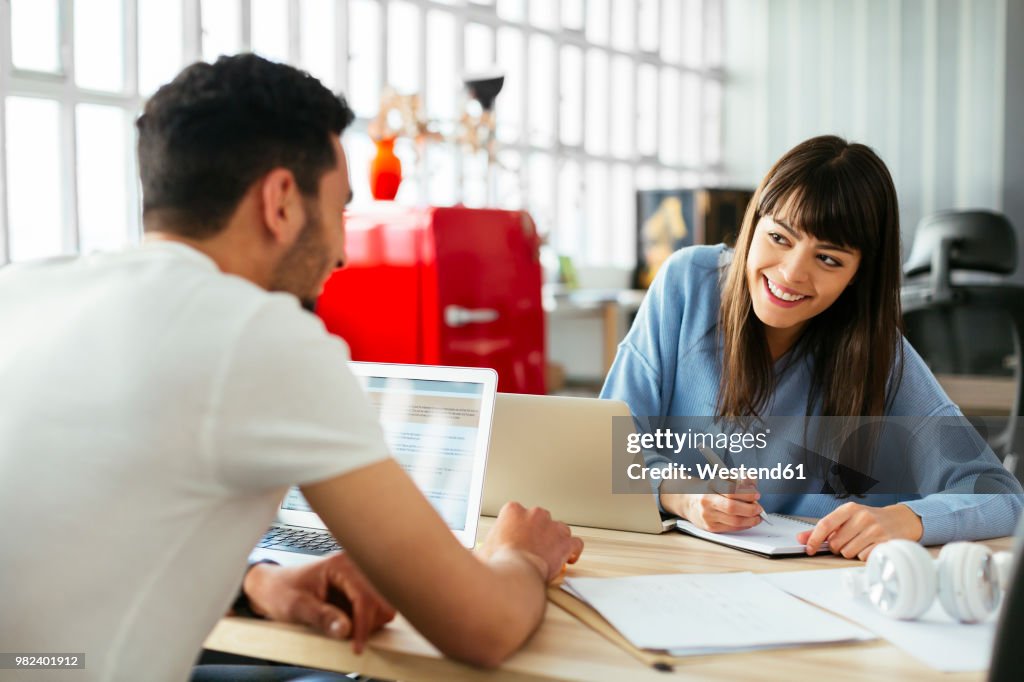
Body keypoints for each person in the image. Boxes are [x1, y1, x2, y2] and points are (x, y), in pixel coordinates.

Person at [0, 54, 582, 682]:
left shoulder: (23, 290)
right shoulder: (260, 335)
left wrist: (254, 583)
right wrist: (519, 556)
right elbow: (482, 626)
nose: (339, 253)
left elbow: (85, 542)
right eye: (339, 212)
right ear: (280, 201)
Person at [602, 135, 1023, 560]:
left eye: (828, 259)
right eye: (780, 238)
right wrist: (683, 496)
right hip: (679, 569)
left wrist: (907, 518)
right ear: (754, 225)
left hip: (814, 584)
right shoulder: (687, 284)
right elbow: (607, 449)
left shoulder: (878, 352)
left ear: (858, 274)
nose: (791, 274)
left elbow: (1000, 495)